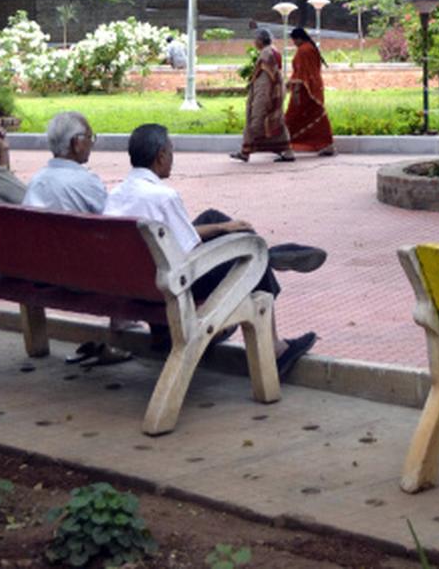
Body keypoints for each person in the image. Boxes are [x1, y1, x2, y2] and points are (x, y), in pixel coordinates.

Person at [105, 124, 318, 376]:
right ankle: (274, 345)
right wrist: (239, 245)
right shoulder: (163, 197)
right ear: (161, 155)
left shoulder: (115, 195)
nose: (173, 157)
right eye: (172, 151)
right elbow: (193, 251)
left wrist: (222, 227)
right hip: (174, 285)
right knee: (250, 254)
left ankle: (163, 333)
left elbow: (174, 236)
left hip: (139, 284)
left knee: (213, 218)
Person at [23, 111, 107, 213]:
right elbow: (110, 217)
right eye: (89, 137)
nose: (92, 143)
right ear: (77, 143)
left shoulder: (36, 181)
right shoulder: (88, 183)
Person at [232, 28, 293, 162]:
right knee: (275, 122)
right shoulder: (273, 51)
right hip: (275, 92)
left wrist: (260, 99)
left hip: (266, 93)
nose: (254, 42)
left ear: (260, 40)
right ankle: (246, 151)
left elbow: (265, 80)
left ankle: (247, 151)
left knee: (257, 122)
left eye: (255, 40)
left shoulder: (266, 55)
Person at [286, 27, 335, 156]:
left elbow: (301, 73)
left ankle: (285, 146)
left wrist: (295, 90)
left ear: (298, 38)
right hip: (313, 88)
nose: (293, 43)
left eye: (293, 40)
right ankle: (326, 144)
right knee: (316, 116)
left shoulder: (303, 50)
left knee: (292, 117)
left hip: (304, 89)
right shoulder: (310, 47)